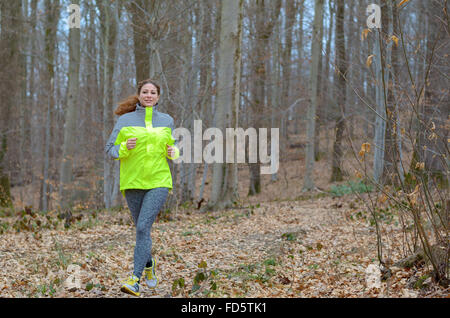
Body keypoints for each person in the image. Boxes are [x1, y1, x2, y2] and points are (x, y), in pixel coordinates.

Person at [105, 79, 179, 296]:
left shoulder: (167, 120)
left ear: (158, 96)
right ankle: (149, 264)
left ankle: (134, 280)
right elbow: (110, 148)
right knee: (142, 229)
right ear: (139, 95)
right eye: (145, 92)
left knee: (141, 227)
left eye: (153, 92)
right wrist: (123, 148)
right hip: (132, 182)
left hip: (159, 181)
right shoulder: (125, 120)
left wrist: (173, 152)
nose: (149, 95)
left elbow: (172, 147)